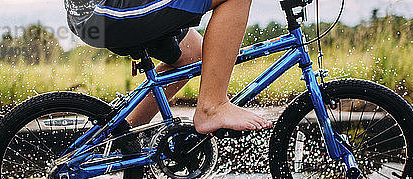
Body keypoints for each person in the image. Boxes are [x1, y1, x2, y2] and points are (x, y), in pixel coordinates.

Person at [64, 0, 272, 134]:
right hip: (103, 10)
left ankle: (124, 138)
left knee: (192, 55)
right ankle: (212, 107)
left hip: (99, 12)